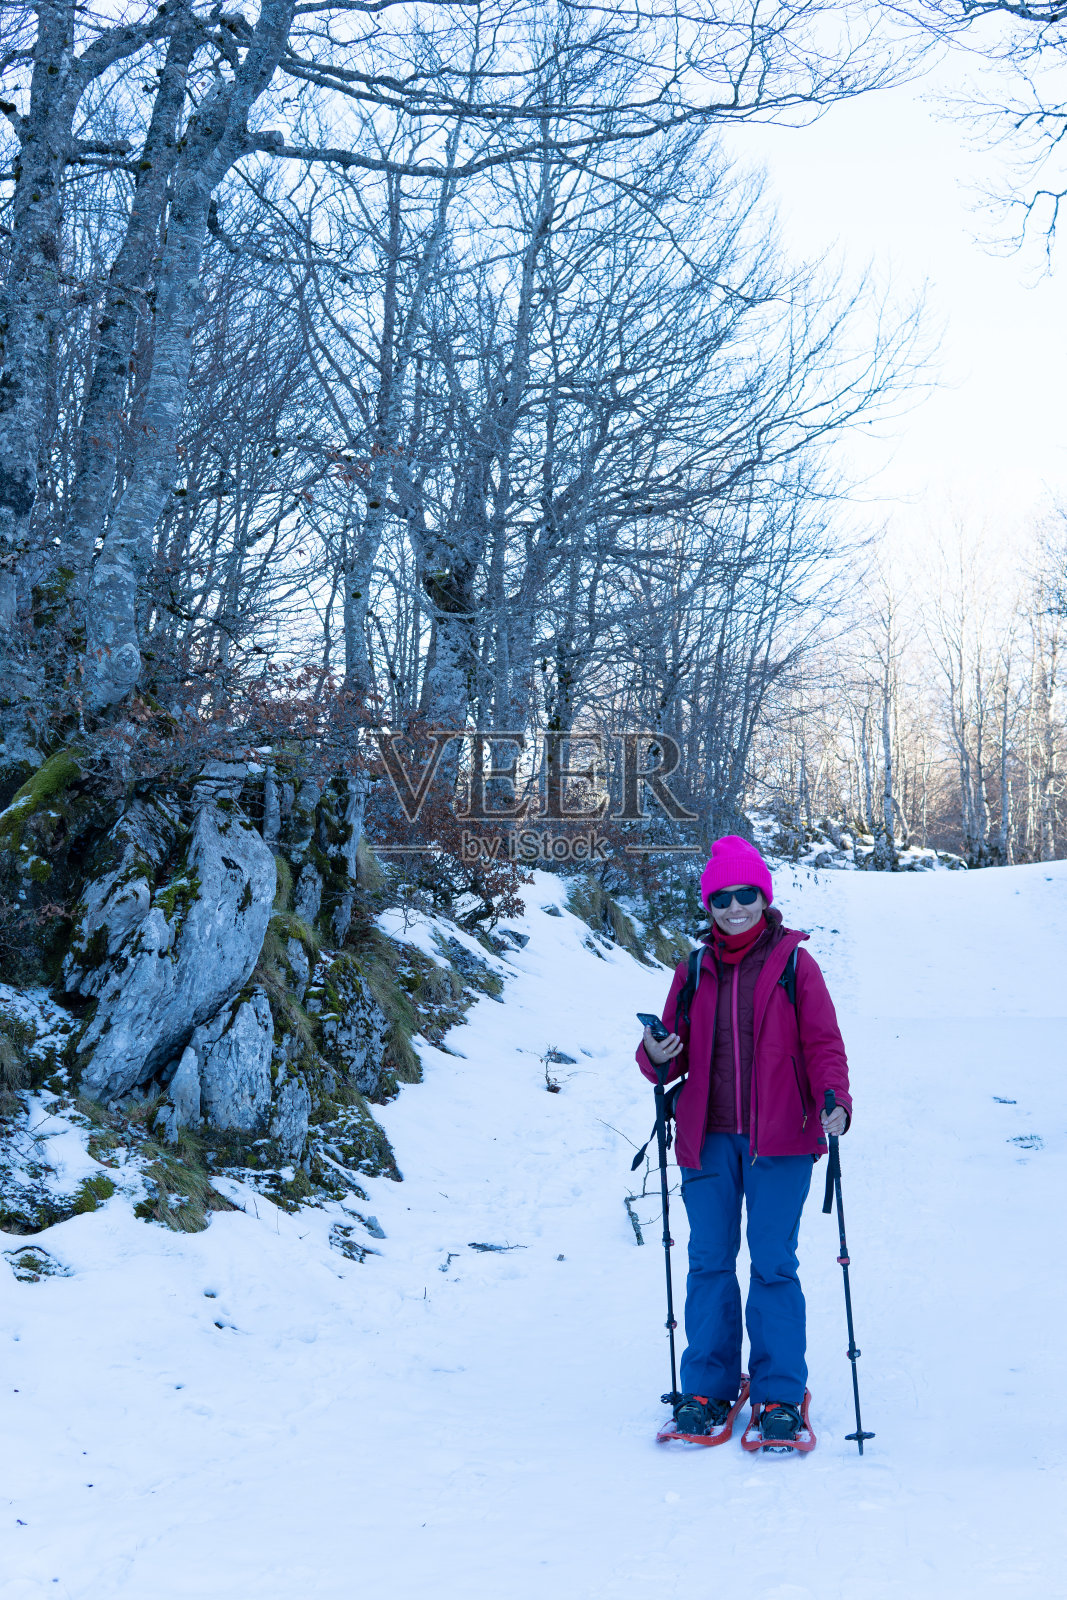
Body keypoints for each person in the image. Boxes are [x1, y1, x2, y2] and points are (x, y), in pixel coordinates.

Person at [635, 833, 851, 1444]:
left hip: (782, 1141)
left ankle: (781, 1394)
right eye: (722, 897)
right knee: (707, 1261)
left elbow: (823, 1045)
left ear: (764, 896)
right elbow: (662, 1059)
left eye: (747, 895)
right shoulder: (694, 969)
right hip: (708, 1140)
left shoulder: (793, 964)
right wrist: (655, 1051)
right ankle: (707, 1388)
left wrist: (836, 1100)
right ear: (709, 904)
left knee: (774, 1265)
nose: (735, 907)